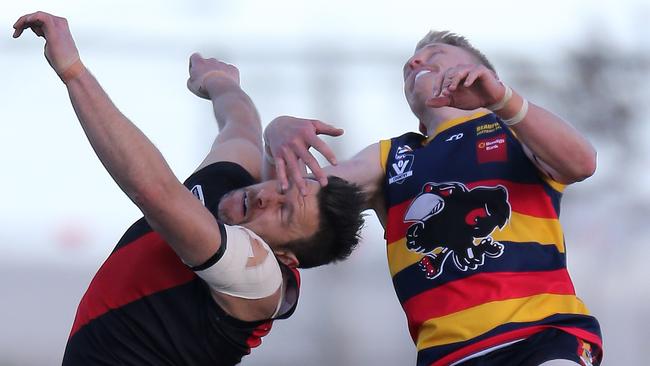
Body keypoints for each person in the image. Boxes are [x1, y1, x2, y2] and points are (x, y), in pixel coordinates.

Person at [13, 11, 365, 365]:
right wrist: (220, 82)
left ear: (287, 257)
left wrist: (73, 71)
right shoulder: (235, 187)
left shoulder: (257, 275)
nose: (265, 196)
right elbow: (241, 124)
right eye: (285, 186)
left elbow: (153, 193)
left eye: (283, 211)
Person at [263, 31, 603, 365]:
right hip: (447, 356)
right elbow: (292, 200)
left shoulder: (515, 128)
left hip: (542, 337)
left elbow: (582, 163)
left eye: (435, 55)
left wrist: (502, 100)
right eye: (409, 67)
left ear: (486, 74)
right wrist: (276, 140)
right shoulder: (392, 157)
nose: (415, 62)